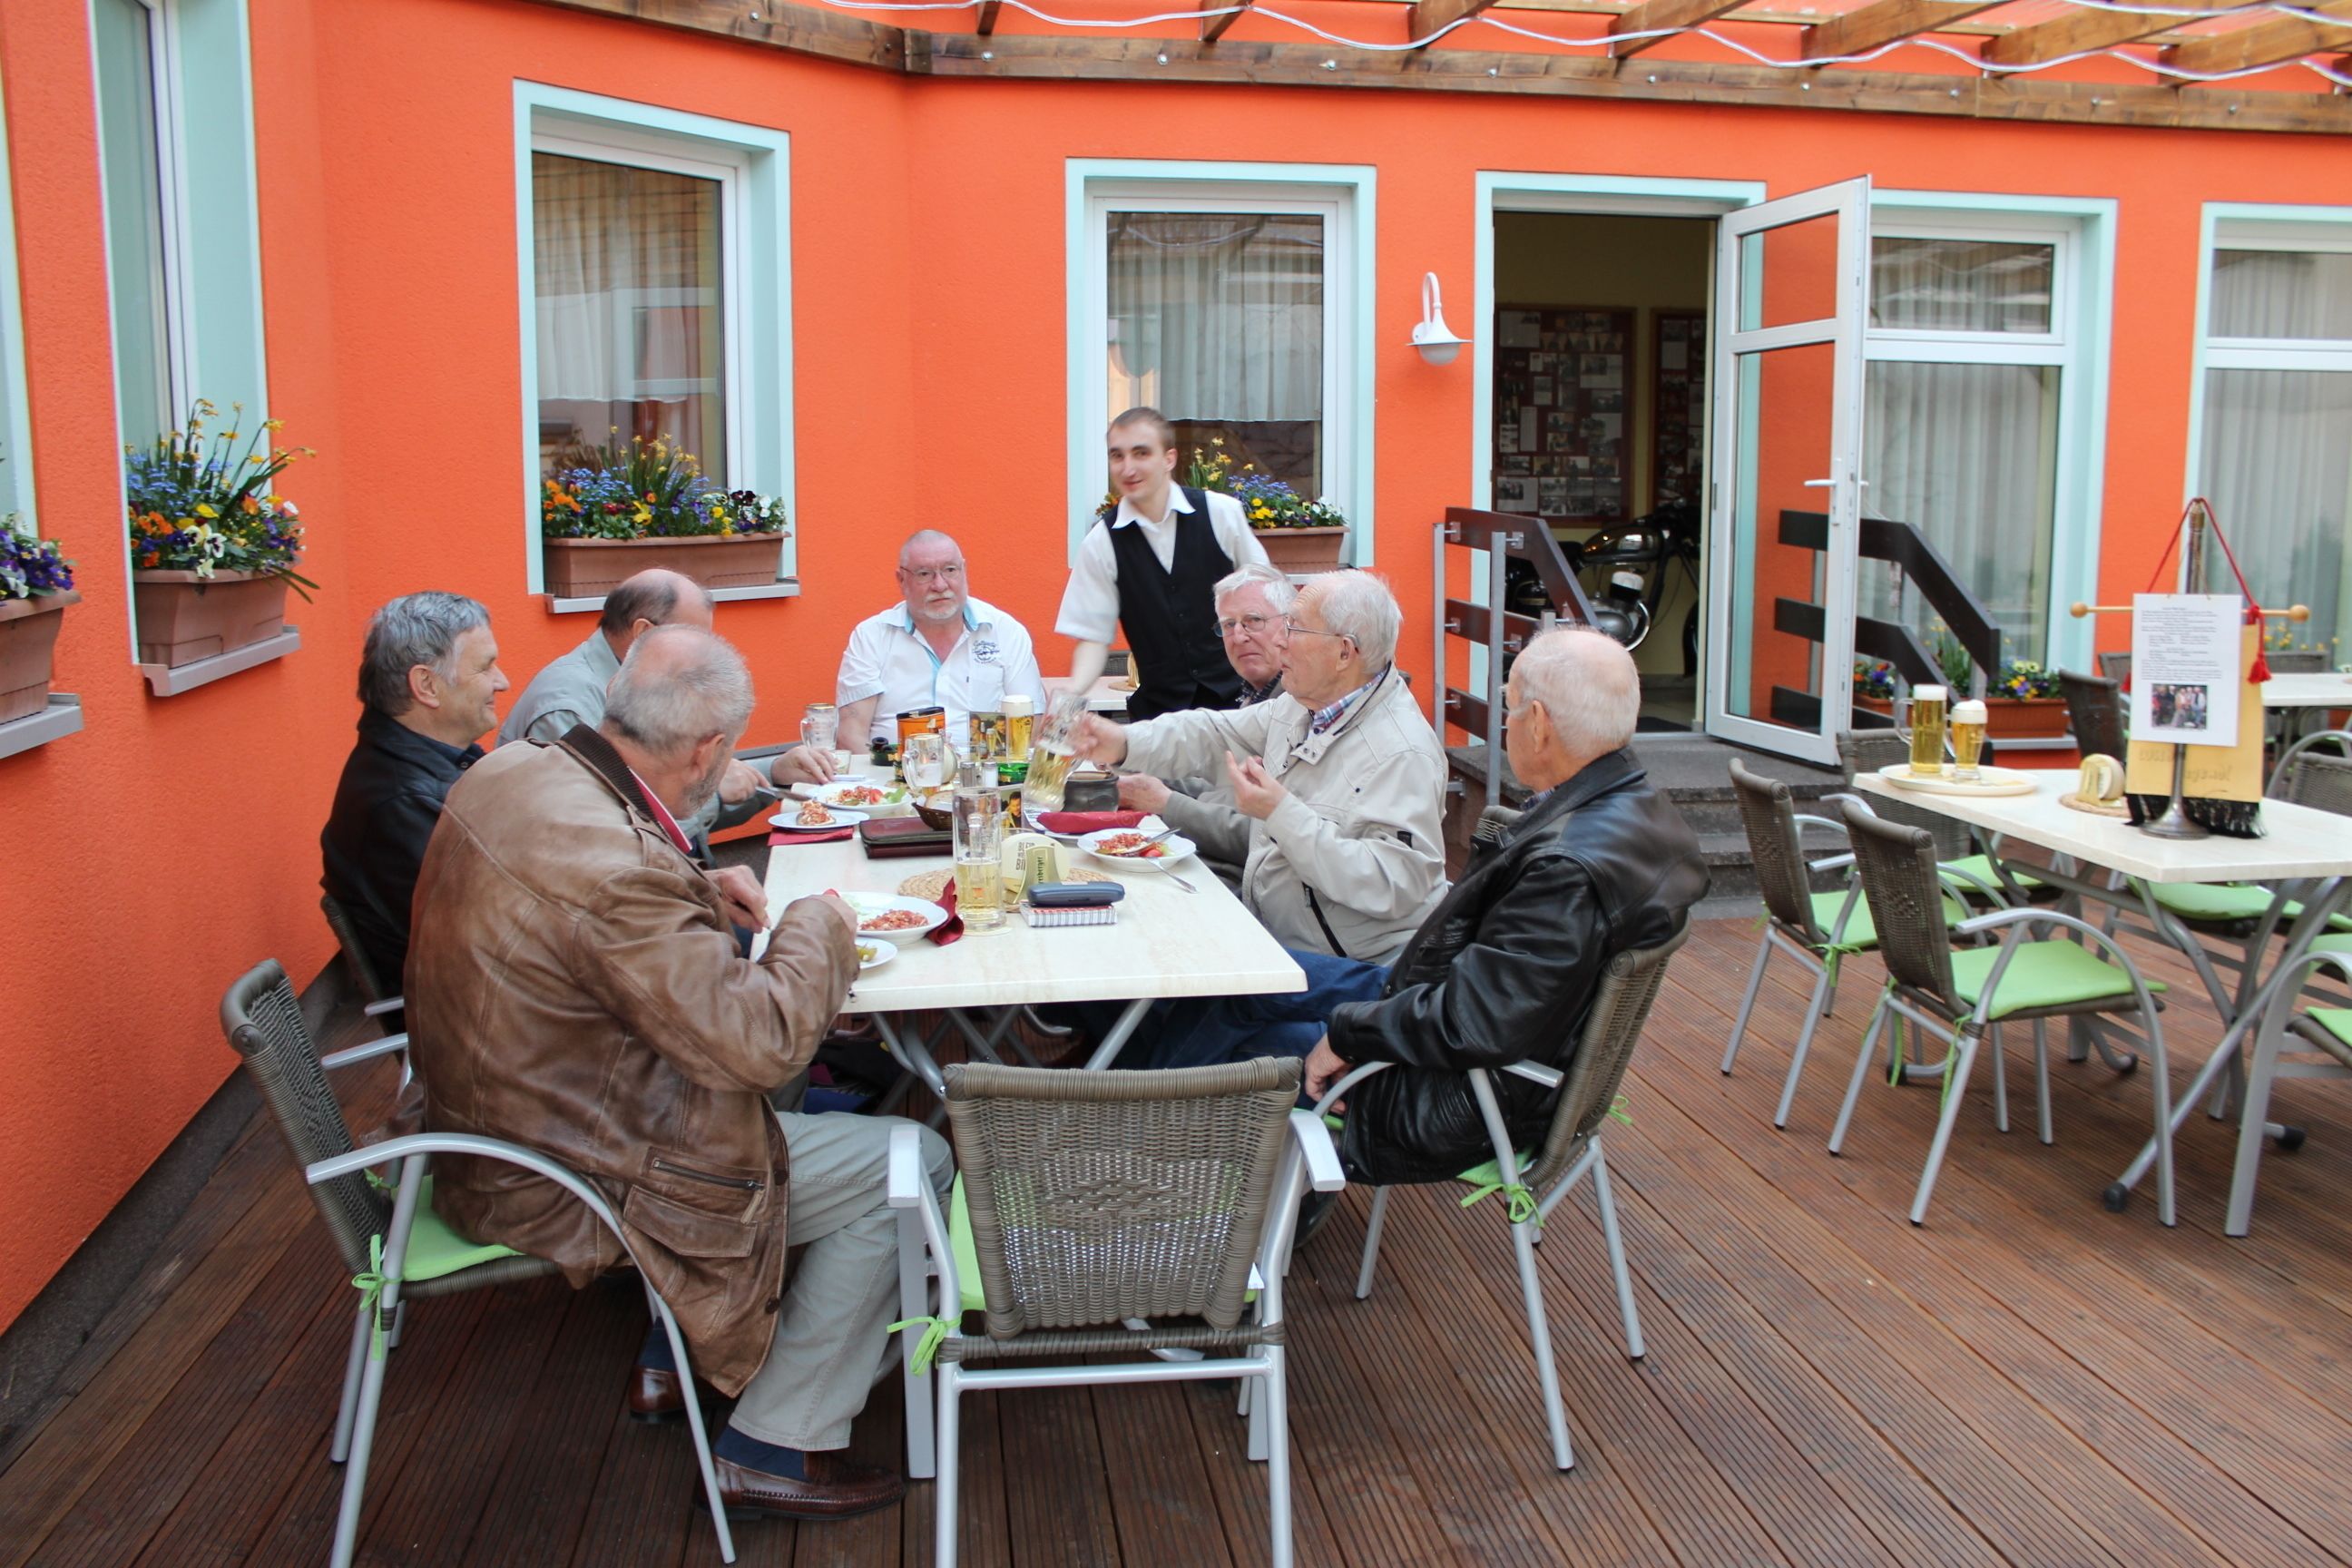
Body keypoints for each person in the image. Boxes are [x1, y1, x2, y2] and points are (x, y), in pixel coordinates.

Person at [407, 624, 954, 1521]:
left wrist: (703, 896)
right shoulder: (611, 864)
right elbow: (762, 1040)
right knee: (910, 1166)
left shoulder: (514, 770)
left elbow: (577, 922)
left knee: (769, 1083)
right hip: (566, 1177)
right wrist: (822, 921)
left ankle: (674, 1357)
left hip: (490, 1125)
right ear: (707, 749)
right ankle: (777, 1443)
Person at [1073, 570, 1447, 965]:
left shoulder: (1402, 752)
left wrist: (1280, 813)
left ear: (1343, 653)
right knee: (1132, 947)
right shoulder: (1303, 705)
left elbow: (1394, 886)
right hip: (1273, 935)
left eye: (1296, 629)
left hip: (1352, 971)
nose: (1281, 640)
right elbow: (1212, 734)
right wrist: (1124, 742)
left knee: (1161, 978)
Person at [500, 568, 829, 841]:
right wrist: (714, 798)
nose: (703, 657)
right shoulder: (568, 707)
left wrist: (773, 771)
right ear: (643, 632)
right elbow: (607, 841)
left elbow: (665, 792)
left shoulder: (640, 682)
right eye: (694, 639)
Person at [319, 592, 509, 992]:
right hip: (476, 1030)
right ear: (426, 685)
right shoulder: (405, 802)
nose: (502, 681)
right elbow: (497, 935)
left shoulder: (429, 764)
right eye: (485, 667)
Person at [1056, 407, 1272, 721]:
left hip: (1240, 708)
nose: (1128, 467)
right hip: (1160, 718)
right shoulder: (1101, 541)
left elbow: (1268, 602)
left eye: (1141, 453)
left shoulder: (1221, 513)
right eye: (1117, 456)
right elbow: (1093, 637)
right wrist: (1073, 691)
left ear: (1169, 459)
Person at [1115, 562, 1295, 889]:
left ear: (1290, 624)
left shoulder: (1299, 704)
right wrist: (1137, 773)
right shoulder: (1254, 694)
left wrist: (1165, 802)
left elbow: (1262, 839)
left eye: (1253, 620)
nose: (1239, 636)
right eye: (1228, 625)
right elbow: (1221, 792)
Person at [829, 529, 1044, 750]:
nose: (940, 585)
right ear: (902, 580)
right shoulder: (871, 637)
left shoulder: (1005, 632)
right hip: (893, 777)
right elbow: (851, 736)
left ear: (964, 571)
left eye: (950, 570)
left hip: (985, 777)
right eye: (924, 574)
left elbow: (1030, 725)